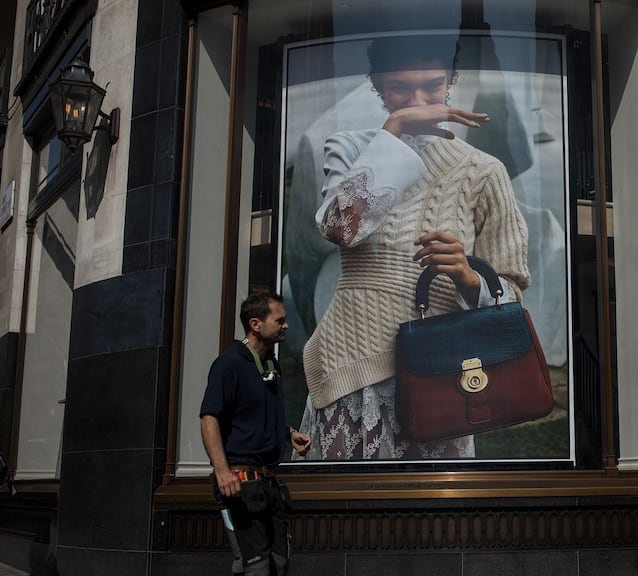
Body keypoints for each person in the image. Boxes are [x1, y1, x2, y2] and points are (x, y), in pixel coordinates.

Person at [302, 35, 530, 460]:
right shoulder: (349, 147)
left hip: (444, 372)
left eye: (431, 85)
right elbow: (340, 229)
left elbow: (511, 293)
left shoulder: (484, 171)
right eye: (400, 89)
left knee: (436, 520)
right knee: (347, 517)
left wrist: (466, 274)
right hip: (353, 361)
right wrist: (394, 131)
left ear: (450, 83)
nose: (419, 99)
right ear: (379, 89)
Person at [200, 292, 312, 575]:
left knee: (280, 563)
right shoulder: (229, 364)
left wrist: (288, 434)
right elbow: (209, 418)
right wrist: (222, 471)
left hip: (268, 483)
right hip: (240, 483)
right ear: (256, 324)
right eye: (280, 320)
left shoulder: (271, 365)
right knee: (256, 568)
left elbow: (251, 414)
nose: (286, 325)